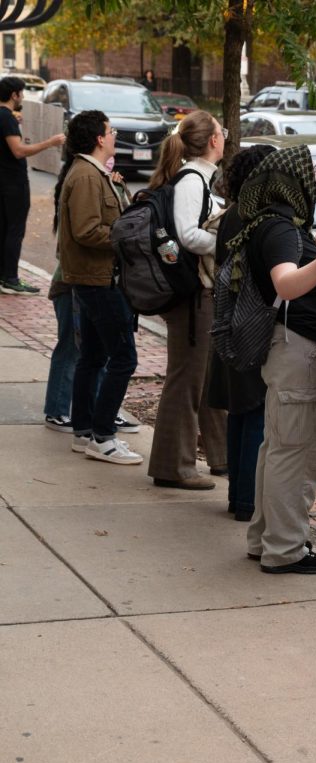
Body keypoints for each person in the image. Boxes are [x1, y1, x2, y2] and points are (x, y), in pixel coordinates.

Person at [229, 145, 316, 574]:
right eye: (311, 171)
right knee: (297, 452)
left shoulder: (276, 225)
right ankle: (285, 549)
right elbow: (287, 284)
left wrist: (315, 245)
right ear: (292, 182)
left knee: (278, 448)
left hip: (290, 350)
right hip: (300, 353)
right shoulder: (278, 229)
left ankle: (264, 539)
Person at [146, 111, 228, 490]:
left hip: (203, 294)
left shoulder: (202, 180)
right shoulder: (192, 180)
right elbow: (187, 235)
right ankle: (172, 467)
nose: (225, 136)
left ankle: (221, 457)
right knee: (186, 380)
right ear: (212, 141)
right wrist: (227, 245)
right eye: (221, 131)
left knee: (207, 378)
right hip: (192, 297)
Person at [55, 110, 141, 465]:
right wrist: (128, 238)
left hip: (94, 279)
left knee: (93, 357)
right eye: (110, 130)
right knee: (124, 358)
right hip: (97, 280)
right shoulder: (87, 176)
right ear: (97, 138)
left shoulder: (93, 173)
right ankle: (103, 435)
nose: (114, 135)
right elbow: (88, 230)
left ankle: (85, 430)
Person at [208, 144, 274, 522]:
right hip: (252, 322)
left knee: (239, 411)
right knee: (255, 412)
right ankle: (247, 499)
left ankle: (237, 495)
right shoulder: (258, 217)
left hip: (230, 320)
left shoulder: (234, 214)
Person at [1, 76, 66, 295]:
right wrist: (51, 142)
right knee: (15, 230)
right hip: (13, 184)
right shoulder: (6, 117)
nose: (23, 97)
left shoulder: (5, 116)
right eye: (22, 93)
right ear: (14, 95)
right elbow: (18, 151)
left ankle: (4, 275)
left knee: (5, 228)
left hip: (4, 182)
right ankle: (10, 278)